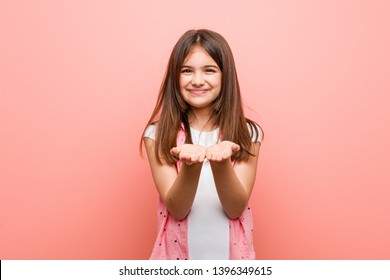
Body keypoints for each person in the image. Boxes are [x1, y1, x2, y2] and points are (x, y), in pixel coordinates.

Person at [140, 29, 263, 260]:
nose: (197, 80)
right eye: (187, 71)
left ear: (225, 76)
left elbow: (235, 207)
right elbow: (177, 208)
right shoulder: (157, 135)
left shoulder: (248, 133)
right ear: (175, 77)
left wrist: (222, 162)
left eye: (209, 70)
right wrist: (190, 165)